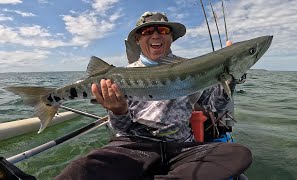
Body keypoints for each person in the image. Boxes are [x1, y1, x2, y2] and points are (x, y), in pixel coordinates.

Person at [55, 11, 252, 180]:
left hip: (181, 147)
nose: (155, 35)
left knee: (239, 154)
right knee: (79, 170)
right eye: (147, 31)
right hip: (134, 146)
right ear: (138, 40)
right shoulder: (120, 75)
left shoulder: (194, 68)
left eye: (163, 30)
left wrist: (231, 76)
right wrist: (118, 111)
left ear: (171, 37)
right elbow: (121, 128)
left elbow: (215, 107)